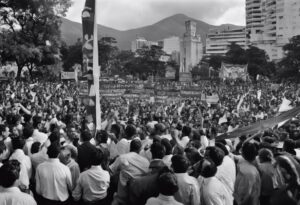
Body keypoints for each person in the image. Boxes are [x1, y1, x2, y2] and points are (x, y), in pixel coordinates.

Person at [35, 141, 72, 205]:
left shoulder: (40, 167)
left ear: (47, 153)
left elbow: (38, 190)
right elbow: (70, 186)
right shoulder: (65, 168)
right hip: (62, 200)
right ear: (59, 154)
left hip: (45, 200)